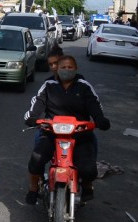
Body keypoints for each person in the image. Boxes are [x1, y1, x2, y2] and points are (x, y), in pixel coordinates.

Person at [23, 55, 110, 205]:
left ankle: (87, 186)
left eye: (70, 67)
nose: (66, 70)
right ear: (57, 69)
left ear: (76, 69)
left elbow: (95, 105)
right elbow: (38, 102)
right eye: (63, 67)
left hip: (80, 134)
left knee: (88, 169)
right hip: (52, 133)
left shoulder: (84, 86)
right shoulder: (48, 85)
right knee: (37, 159)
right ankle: (33, 188)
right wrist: (31, 117)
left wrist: (100, 120)